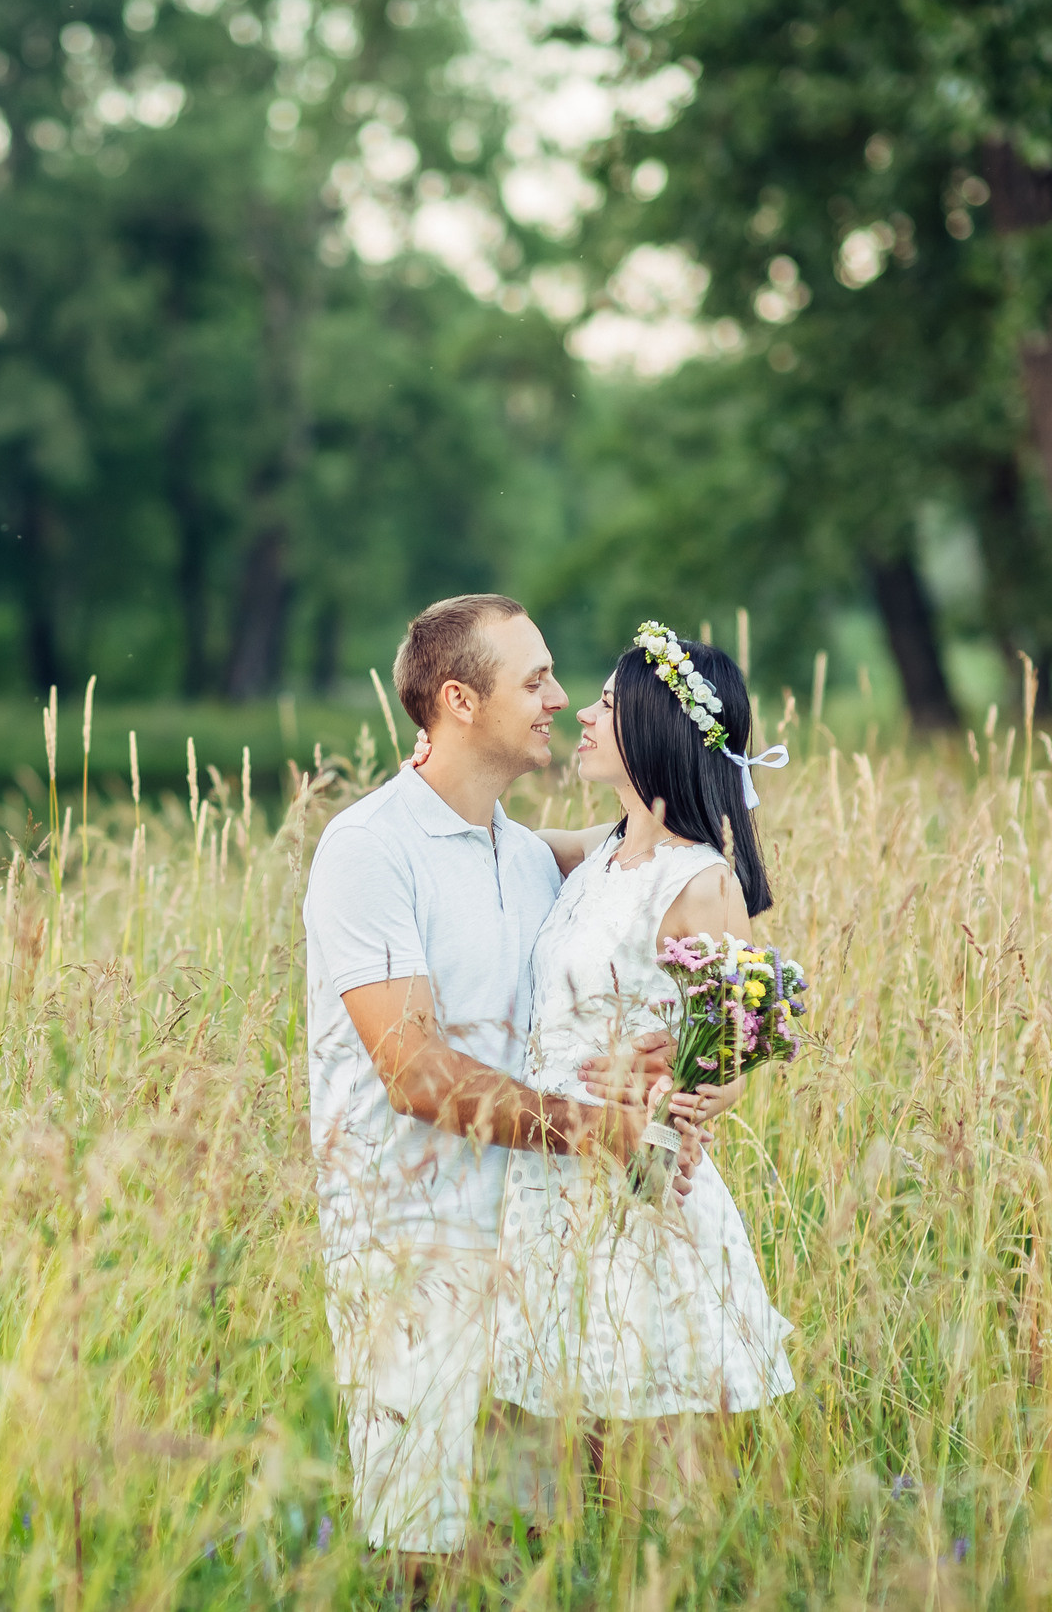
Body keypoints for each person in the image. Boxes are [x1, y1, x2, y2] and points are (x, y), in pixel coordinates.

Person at [300, 594, 699, 1574]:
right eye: (535, 679)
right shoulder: (369, 848)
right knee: (427, 1542)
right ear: (457, 701)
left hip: (533, 1249)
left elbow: (662, 867)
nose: (560, 697)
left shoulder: (524, 852)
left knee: (531, 1540)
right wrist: (606, 1131)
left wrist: (715, 1064)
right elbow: (416, 1071)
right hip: (411, 1247)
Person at [492, 622, 797, 1511]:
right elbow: (503, 845)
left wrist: (675, 1088)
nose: (582, 715)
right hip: (550, 1181)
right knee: (556, 1460)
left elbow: (735, 1054)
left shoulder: (699, 882)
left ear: (657, 730)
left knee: (657, 1476)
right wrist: (427, 794)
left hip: (637, 1188)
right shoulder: (603, 850)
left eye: (606, 705)